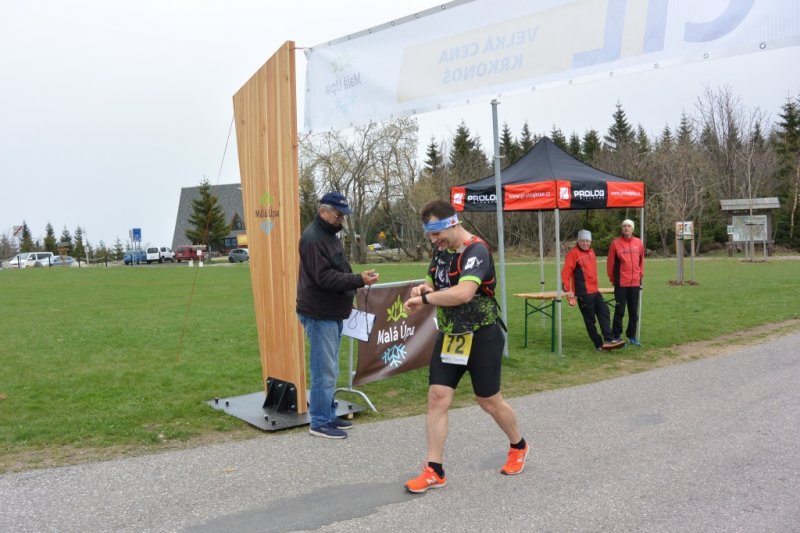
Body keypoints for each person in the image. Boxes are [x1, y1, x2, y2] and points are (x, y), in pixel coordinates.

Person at [402, 199, 528, 494]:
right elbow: (433, 283)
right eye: (429, 235)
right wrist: (423, 289)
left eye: (436, 233)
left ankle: (518, 445)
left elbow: (463, 293)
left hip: (482, 336)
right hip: (451, 335)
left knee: (489, 401)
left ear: (452, 224)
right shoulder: (440, 251)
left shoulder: (476, 250)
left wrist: (424, 299)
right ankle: (434, 470)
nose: (433, 240)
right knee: (437, 398)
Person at [296, 192, 379, 439]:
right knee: (324, 370)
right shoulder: (312, 239)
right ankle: (320, 422)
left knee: (330, 368)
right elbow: (324, 277)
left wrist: (355, 281)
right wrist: (358, 280)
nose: (342, 219)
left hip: (331, 311)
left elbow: (339, 268)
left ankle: (328, 415)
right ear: (323, 211)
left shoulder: (329, 235)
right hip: (319, 313)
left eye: (343, 215)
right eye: (339, 215)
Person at [561, 230, 624, 352]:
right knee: (590, 320)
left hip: (595, 290)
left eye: (587, 241)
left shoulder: (591, 252)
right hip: (583, 293)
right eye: (583, 241)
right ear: (578, 241)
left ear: (590, 242)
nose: (585, 243)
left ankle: (609, 340)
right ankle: (599, 344)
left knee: (604, 311)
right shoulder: (573, 254)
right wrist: (567, 289)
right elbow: (566, 273)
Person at [607, 219, 645, 346]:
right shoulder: (615, 243)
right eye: (624, 226)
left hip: (635, 283)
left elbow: (641, 261)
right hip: (621, 283)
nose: (626, 228)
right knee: (620, 311)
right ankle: (616, 336)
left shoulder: (638, 243)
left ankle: (632, 337)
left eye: (629, 226)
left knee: (633, 312)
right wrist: (613, 279)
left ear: (632, 229)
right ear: (621, 228)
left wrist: (641, 275)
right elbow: (610, 263)